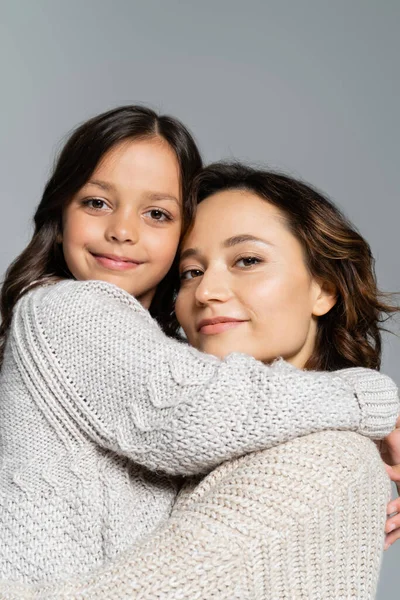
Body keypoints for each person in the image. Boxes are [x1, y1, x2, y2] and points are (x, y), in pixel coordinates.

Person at [0, 107, 397, 584]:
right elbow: (189, 407)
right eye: (96, 203)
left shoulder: (321, 455)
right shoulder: (69, 309)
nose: (123, 231)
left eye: (157, 214)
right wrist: (368, 401)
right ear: (59, 214)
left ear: (324, 287)